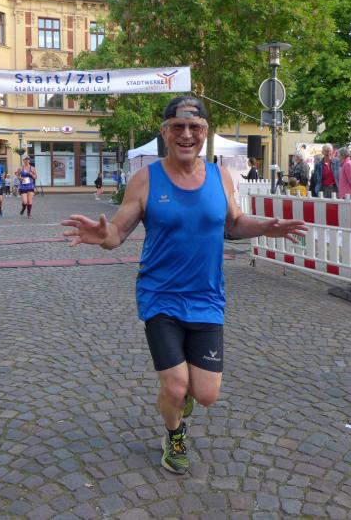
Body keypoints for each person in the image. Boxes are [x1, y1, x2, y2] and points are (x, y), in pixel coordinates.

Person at [61, 96, 306, 475]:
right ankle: (174, 434)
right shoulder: (146, 179)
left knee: (205, 395)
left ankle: (183, 400)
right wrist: (103, 235)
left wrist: (264, 228)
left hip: (207, 297)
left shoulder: (220, 176)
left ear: (206, 133)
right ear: (165, 132)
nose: (187, 134)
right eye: (178, 127)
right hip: (160, 295)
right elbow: (118, 234)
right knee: (175, 386)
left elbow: (233, 223)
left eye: (196, 127)